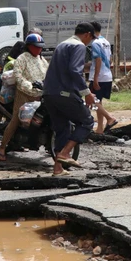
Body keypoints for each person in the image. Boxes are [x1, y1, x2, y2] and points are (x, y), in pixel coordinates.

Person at [43, 23, 97, 176]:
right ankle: (65, 153)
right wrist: (86, 92)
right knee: (87, 121)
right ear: (87, 34)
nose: (90, 43)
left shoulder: (62, 44)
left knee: (62, 128)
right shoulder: (79, 46)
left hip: (49, 94)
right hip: (64, 94)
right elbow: (75, 70)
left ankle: (58, 168)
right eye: (91, 39)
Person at [0, 34, 49, 161]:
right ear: (29, 46)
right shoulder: (22, 58)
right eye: (36, 47)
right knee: (16, 120)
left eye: (40, 47)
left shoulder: (42, 60)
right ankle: (2, 147)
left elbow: (48, 75)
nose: (39, 49)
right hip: (24, 94)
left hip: (40, 94)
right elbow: (18, 77)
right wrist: (29, 85)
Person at [88, 21, 118, 134]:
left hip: (99, 77)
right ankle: (99, 128)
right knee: (98, 101)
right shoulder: (106, 42)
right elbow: (110, 60)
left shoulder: (95, 43)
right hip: (107, 76)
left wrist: (95, 78)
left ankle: (109, 118)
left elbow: (98, 60)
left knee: (92, 100)